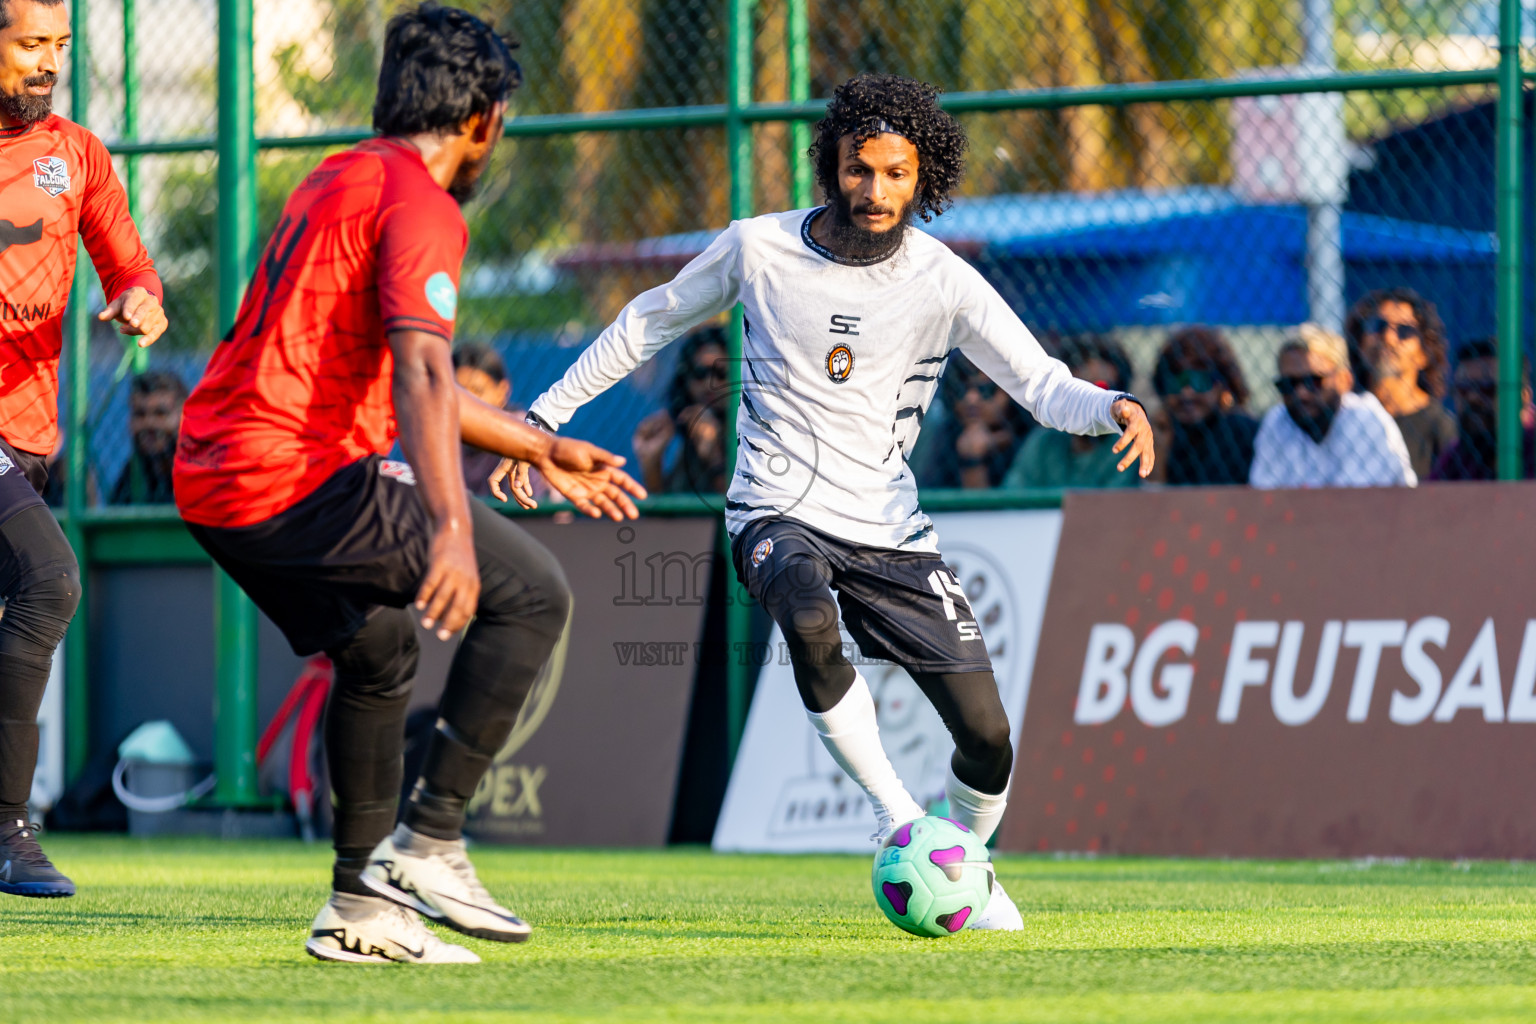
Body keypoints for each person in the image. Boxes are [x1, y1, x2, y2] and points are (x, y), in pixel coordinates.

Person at [493, 73, 1155, 931]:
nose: (872, 192)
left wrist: (1113, 409)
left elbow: (1040, 386)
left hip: (890, 529)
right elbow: (646, 323)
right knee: (805, 617)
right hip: (775, 510)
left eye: (893, 174)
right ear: (830, 165)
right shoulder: (757, 249)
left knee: (988, 740)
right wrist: (543, 418)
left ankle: (965, 868)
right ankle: (896, 820)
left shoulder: (944, 282)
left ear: (925, 179)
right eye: (857, 170)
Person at [173, 4, 645, 964]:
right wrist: (451, 528)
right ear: (482, 118)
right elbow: (426, 373)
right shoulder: (424, 205)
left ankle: (358, 907)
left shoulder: (338, 175)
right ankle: (429, 842)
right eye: (501, 120)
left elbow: (399, 371)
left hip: (214, 481)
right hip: (290, 476)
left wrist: (540, 446)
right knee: (534, 595)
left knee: (381, 649)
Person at [0, 0, 169, 898]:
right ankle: (11, 833)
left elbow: (131, 266)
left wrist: (143, 298)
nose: (48, 63)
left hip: (29, 436)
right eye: (31, 44)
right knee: (52, 579)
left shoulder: (78, 155)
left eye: (60, 47)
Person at [1249, 324, 1416, 489]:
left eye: (1314, 381)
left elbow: (1355, 507)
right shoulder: (1277, 421)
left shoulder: (1365, 417)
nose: (1301, 394)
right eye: (1288, 384)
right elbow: (1264, 498)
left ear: (1345, 380)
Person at [1344, 287, 1456, 479]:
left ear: (1424, 353)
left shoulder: (1441, 427)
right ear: (1360, 343)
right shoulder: (1344, 418)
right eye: (1378, 326)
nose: (1388, 338)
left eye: (1405, 331)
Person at [1003, 335, 1137, 490]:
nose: (1093, 404)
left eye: (1104, 390)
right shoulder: (1045, 442)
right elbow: (1011, 495)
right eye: (1082, 391)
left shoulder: (1125, 446)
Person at [1151, 325, 1258, 486]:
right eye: (1176, 382)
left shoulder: (1239, 430)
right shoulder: (1164, 431)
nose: (1186, 394)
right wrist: (1158, 454)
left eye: (1199, 381)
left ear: (1221, 384)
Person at [907, 353, 1029, 489]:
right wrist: (971, 456)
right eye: (961, 389)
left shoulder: (1034, 439)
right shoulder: (944, 435)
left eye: (985, 390)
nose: (970, 399)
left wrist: (972, 458)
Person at [631, 326, 729, 494]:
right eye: (699, 373)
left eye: (720, 373)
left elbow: (744, 509)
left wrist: (714, 456)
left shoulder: (755, 429)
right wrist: (651, 463)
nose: (709, 384)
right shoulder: (692, 431)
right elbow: (667, 516)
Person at [1429, 338, 1536, 480]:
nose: (1473, 398)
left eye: (1487, 388)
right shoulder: (1459, 454)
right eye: (1464, 389)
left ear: (1524, 397)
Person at [109, 370, 187, 504]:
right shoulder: (132, 477)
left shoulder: (202, 473)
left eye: (160, 414)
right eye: (140, 414)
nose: (149, 423)